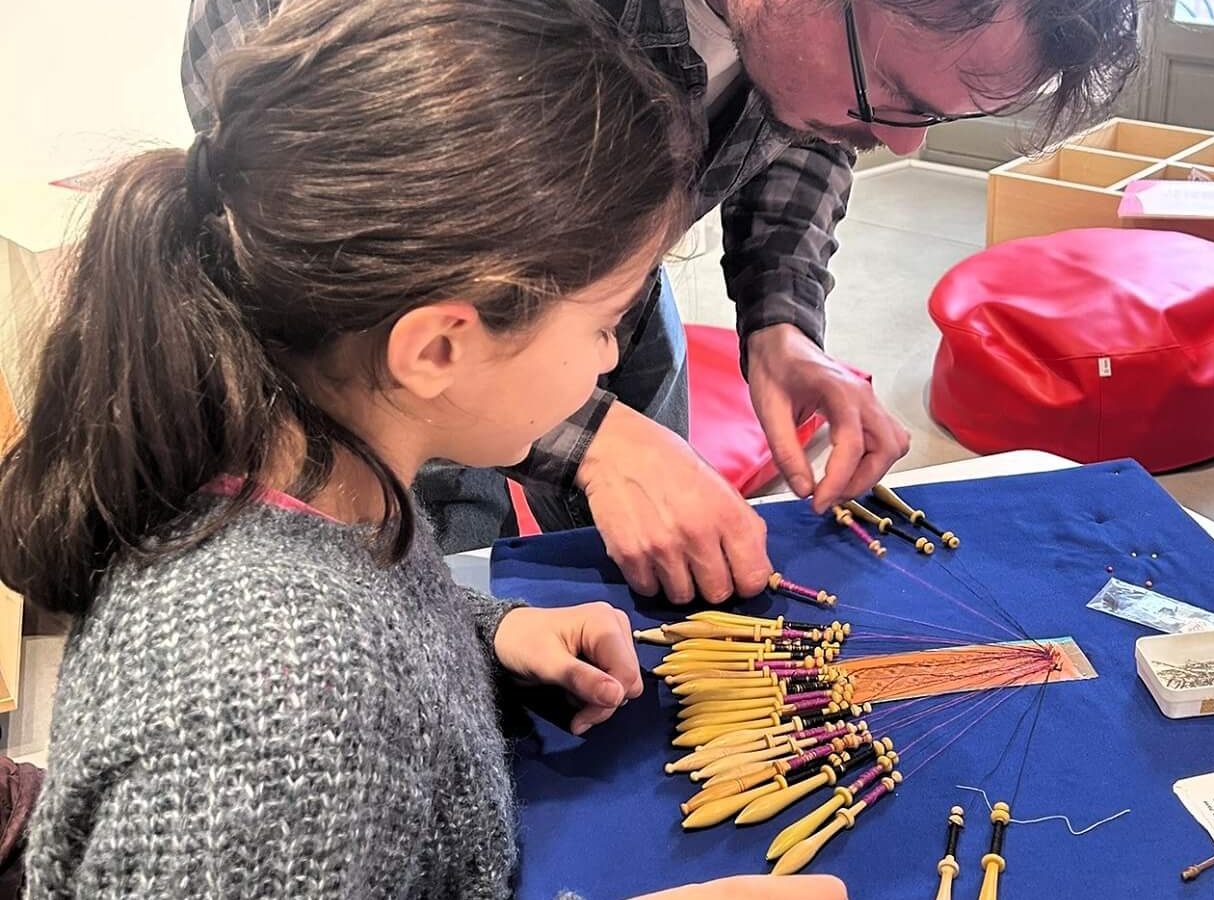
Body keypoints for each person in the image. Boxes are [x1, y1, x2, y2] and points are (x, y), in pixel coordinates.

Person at [0, 1, 844, 897]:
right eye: (606, 323)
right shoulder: (276, 719)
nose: (614, 358)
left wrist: (487, 637)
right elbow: (304, 706)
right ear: (439, 348)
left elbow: (368, 624)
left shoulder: (326, 494)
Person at [182, 0, 1140, 606]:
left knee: (630, 575)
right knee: (433, 578)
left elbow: (808, 121)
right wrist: (587, 441)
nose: (907, 145)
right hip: (388, 341)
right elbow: (345, 260)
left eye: (936, 112)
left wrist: (779, 320)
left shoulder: (819, 43)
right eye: (894, 92)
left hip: (507, 317)